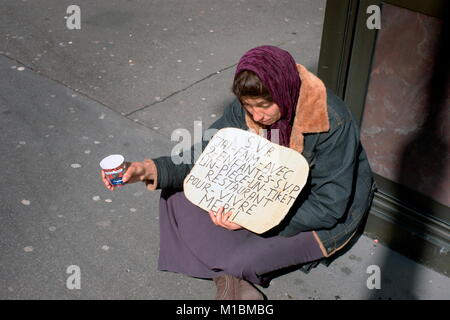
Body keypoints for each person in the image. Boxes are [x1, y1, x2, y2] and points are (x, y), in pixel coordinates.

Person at [101, 45, 376, 300]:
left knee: (239, 260)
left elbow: (329, 206)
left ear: (284, 92)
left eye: (264, 106)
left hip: (312, 214)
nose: (257, 117)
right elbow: (203, 154)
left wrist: (250, 219)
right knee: (175, 193)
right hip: (255, 189)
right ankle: (231, 273)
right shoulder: (246, 108)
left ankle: (229, 273)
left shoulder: (332, 121)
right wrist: (145, 169)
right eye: (249, 107)